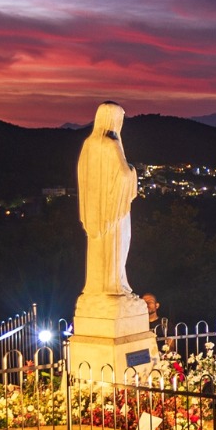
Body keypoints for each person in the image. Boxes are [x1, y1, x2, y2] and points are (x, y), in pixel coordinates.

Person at [77, 101, 137, 296]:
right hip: (114, 209)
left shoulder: (88, 144)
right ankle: (114, 285)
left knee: (98, 248)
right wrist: (133, 171)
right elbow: (124, 175)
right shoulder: (111, 144)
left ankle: (98, 286)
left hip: (95, 211)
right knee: (118, 246)